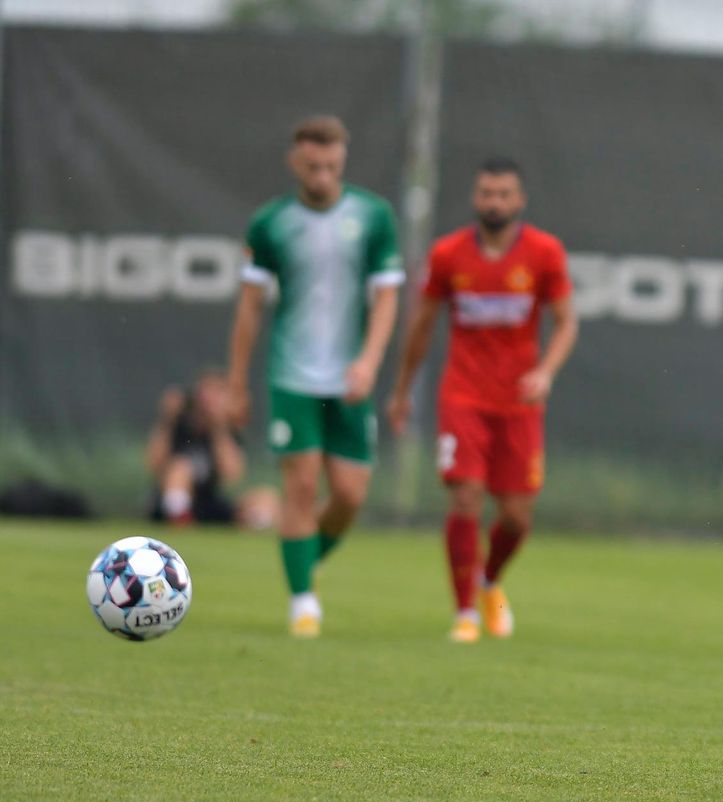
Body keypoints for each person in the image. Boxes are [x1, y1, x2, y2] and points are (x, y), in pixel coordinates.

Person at [226, 115, 403, 638]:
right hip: (293, 376)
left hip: (350, 378)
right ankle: (303, 601)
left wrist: (369, 361)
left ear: (342, 160)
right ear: (294, 161)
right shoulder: (270, 223)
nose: (322, 174)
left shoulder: (373, 215)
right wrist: (237, 382)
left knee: (349, 495)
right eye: (312, 164)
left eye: (331, 165)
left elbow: (388, 296)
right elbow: (250, 308)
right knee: (301, 487)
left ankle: (304, 558)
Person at [388, 158, 577, 644]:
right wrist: (403, 391)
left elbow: (566, 322)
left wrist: (545, 371)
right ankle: (465, 612)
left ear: (520, 200)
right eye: (487, 194)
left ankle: (489, 580)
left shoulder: (544, 252)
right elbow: (423, 326)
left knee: (515, 517)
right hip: (463, 396)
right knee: (466, 498)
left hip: (519, 402)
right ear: (475, 199)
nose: (495, 203)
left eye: (504, 194)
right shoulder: (449, 254)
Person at [146, 370, 246, 526]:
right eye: (207, 391)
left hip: (207, 500)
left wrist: (218, 428)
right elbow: (154, 464)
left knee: (264, 498)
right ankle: (179, 517)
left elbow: (231, 474)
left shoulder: (224, 432)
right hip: (169, 500)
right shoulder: (179, 423)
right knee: (180, 467)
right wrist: (168, 420)